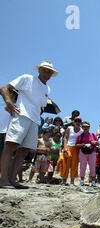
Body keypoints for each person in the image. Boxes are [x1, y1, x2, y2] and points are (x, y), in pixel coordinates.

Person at [0, 61, 58, 189]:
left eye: (49, 71)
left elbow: (40, 104)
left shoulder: (47, 88)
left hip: (35, 120)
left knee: (24, 150)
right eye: (45, 70)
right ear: (39, 70)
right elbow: (4, 88)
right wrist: (9, 102)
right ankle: (3, 179)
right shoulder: (27, 78)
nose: (47, 73)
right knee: (11, 145)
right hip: (22, 115)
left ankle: (12, 179)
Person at [60, 116, 82, 186]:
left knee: (74, 165)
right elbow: (65, 138)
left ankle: (72, 181)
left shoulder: (81, 130)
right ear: (73, 122)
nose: (77, 123)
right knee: (66, 164)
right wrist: (65, 147)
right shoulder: (69, 128)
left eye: (79, 121)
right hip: (68, 147)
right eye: (76, 121)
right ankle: (64, 181)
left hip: (76, 148)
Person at [75, 121, 99, 187]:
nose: (86, 128)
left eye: (87, 126)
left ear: (89, 127)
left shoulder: (93, 135)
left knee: (92, 166)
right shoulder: (80, 136)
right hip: (83, 152)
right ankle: (82, 181)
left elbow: (98, 143)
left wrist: (94, 142)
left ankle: (93, 181)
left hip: (92, 151)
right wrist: (82, 145)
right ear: (82, 127)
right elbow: (76, 145)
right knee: (82, 166)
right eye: (84, 126)